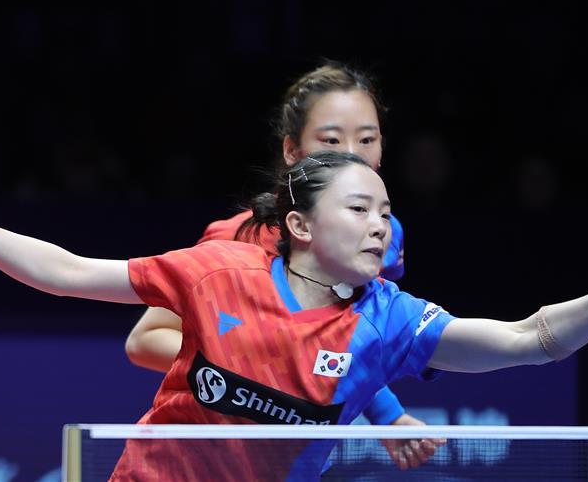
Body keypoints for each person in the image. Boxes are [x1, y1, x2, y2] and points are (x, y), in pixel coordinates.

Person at [0, 152, 588, 481]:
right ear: (301, 225)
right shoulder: (218, 270)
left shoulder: (389, 320)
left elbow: (530, 339)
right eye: (359, 208)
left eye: (386, 210)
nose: (380, 225)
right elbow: (70, 272)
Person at [122, 61, 432, 469]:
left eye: (367, 139)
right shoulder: (241, 237)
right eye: (331, 139)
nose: (351, 155)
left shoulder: (382, 238)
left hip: (288, 464)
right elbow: (145, 340)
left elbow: (347, 348)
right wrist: (258, 374)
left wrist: (388, 415)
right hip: (202, 460)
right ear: (292, 151)